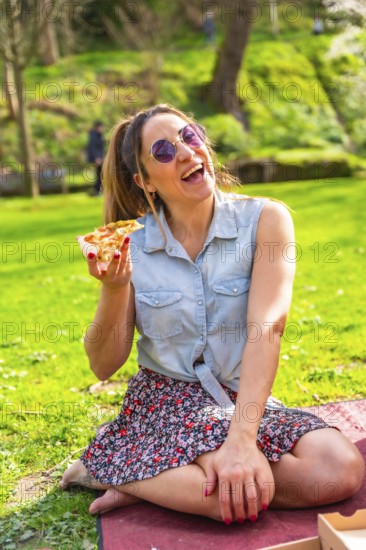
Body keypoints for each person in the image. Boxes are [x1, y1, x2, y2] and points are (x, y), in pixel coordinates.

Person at [60, 104, 364, 523]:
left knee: (338, 470)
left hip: (240, 398)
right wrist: (113, 288)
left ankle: (129, 471)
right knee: (236, 497)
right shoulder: (127, 243)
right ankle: (136, 468)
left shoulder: (265, 219)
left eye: (189, 136)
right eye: (164, 151)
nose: (185, 152)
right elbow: (102, 365)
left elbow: (267, 326)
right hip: (165, 400)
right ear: (144, 181)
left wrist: (243, 439)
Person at [86, 121, 105, 195]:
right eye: (101, 127)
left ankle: (98, 190)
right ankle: (97, 190)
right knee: (99, 174)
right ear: (98, 127)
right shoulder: (94, 136)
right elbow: (93, 148)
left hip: (99, 158)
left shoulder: (98, 135)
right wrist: (97, 158)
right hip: (97, 159)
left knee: (99, 174)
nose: (103, 129)